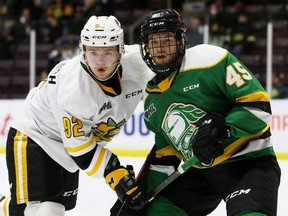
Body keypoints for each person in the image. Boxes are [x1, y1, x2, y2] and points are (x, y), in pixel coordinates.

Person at [111, 8, 281, 216]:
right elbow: (165, 157)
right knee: (156, 213)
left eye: (167, 40)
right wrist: (136, 195)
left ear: (180, 41)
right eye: (154, 42)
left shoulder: (210, 60)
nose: (160, 48)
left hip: (248, 161)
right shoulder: (152, 99)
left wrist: (223, 130)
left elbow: (259, 107)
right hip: (202, 173)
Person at [0, 15, 153, 216]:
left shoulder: (140, 63)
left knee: (60, 207)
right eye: (93, 52)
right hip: (37, 136)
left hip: (68, 149)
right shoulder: (74, 89)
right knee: (48, 211)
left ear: (120, 51)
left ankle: (6, 206)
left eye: (107, 52)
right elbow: (83, 152)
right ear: (83, 52)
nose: (100, 60)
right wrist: (116, 173)